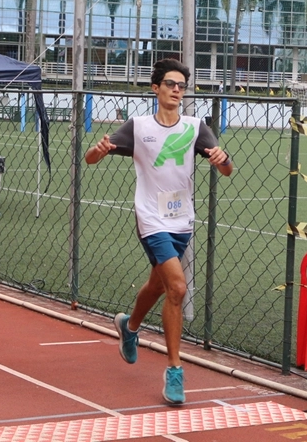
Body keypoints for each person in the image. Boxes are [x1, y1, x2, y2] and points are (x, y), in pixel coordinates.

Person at [85, 58, 234, 405]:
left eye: (181, 85)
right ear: (155, 88)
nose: (176, 90)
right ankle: (175, 369)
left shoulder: (196, 127)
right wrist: (100, 149)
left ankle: (129, 326)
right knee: (178, 287)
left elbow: (227, 169)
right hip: (151, 218)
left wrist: (222, 159)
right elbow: (91, 158)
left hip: (181, 218)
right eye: (170, 84)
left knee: (158, 284)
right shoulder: (137, 127)